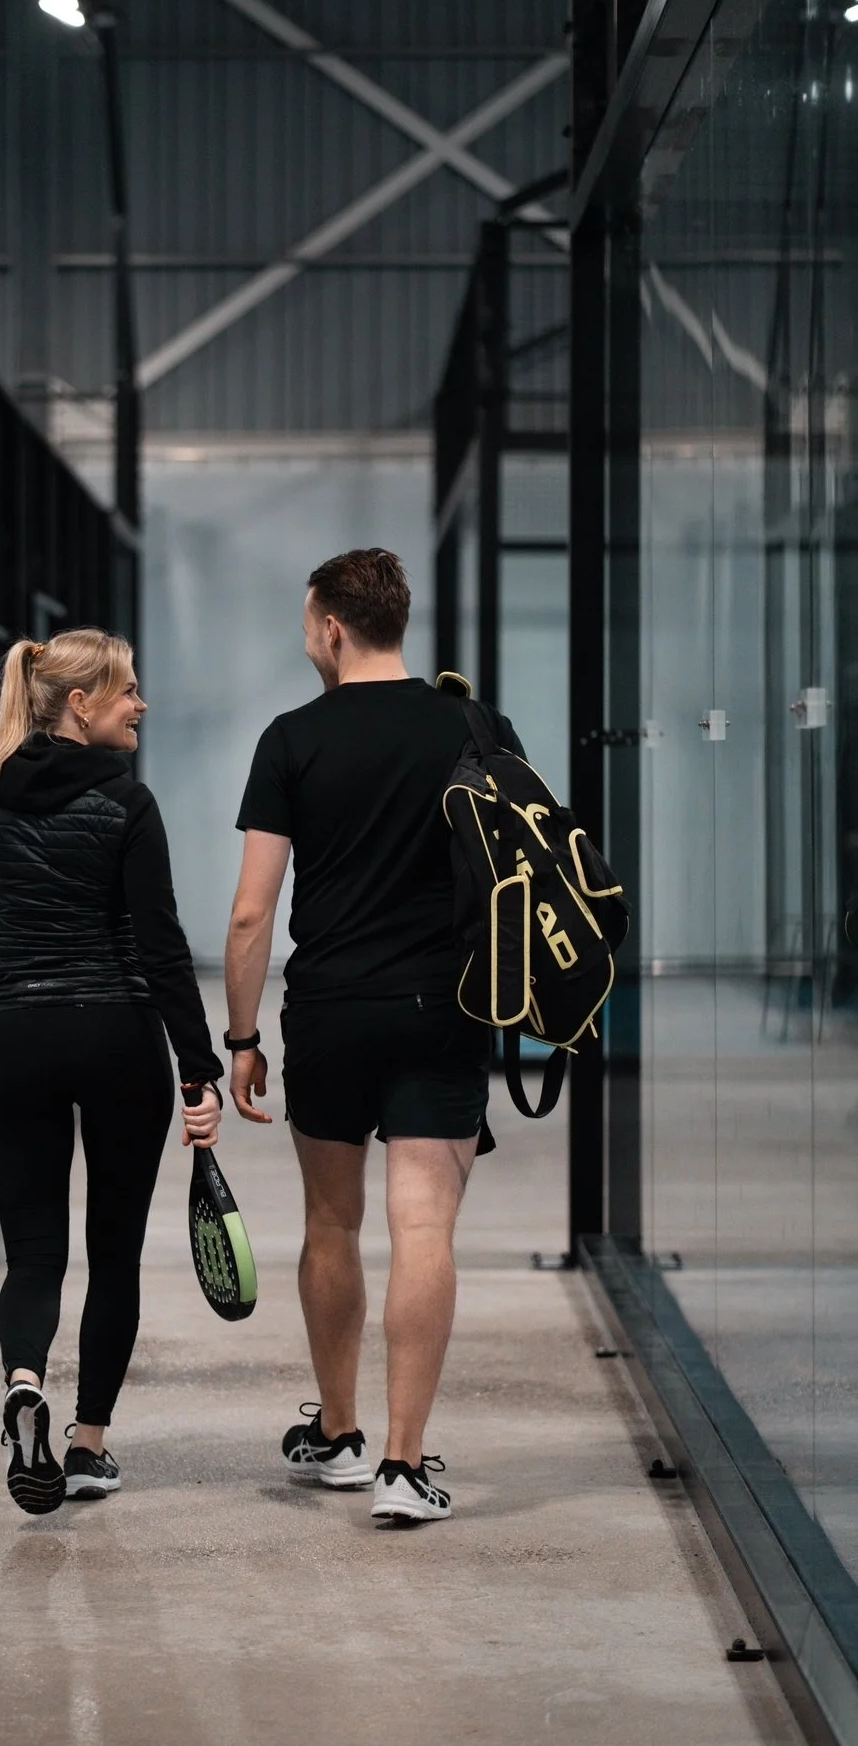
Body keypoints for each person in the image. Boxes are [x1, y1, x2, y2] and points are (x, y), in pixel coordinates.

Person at [222, 548, 519, 1524]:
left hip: (330, 1009)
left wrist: (240, 1034)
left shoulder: (290, 738)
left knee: (332, 1222)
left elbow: (250, 917)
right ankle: (403, 1462)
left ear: (331, 627)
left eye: (307, 623)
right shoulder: (473, 726)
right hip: (446, 1004)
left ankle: (339, 1433)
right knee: (423, 1225)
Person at [0, 628, 223, 1516]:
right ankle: (84, 1448)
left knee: (34, 1253)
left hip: (16, 1034)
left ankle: (25, 1379)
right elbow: (159, 944)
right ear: (80, 703)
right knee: (112, 1255)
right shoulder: (128, 801)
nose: (141, 706)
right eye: (127, 693)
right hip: (116, 1036)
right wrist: (200, 1069)